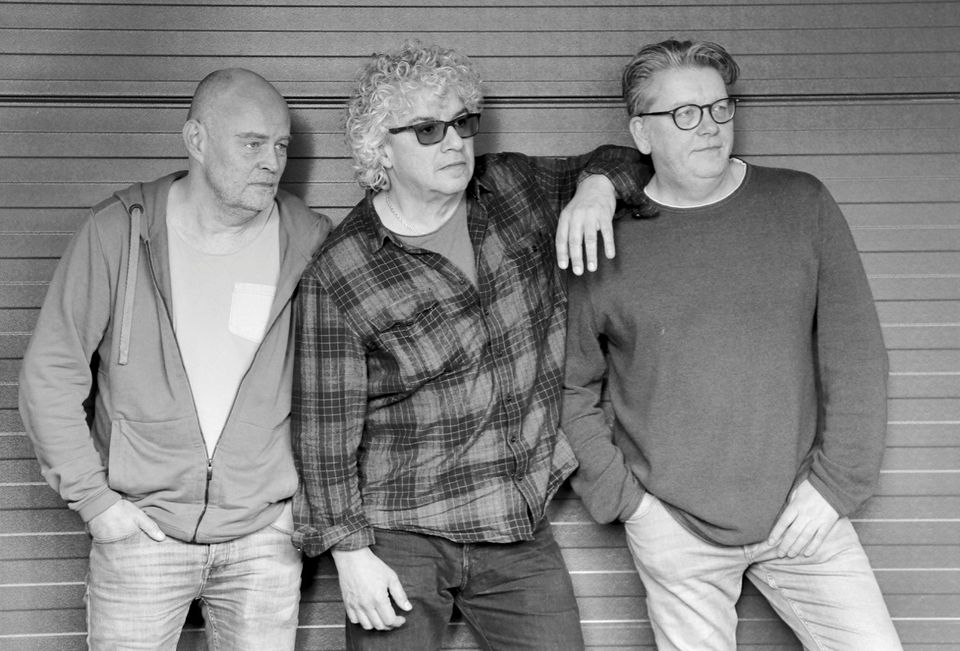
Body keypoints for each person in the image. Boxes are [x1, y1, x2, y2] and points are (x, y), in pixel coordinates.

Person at [292, 41, 648, 650]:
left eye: (462, 122)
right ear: (380, 149)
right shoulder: (341, 270)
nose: (455, 142)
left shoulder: (512, 187)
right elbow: (325, 432)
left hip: (515, 524)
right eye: (428, 129)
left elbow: (630, 161)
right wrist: (349, 554)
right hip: (401, 532)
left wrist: (596, 188)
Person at [561, 39, 903, 650]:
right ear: (640, 133)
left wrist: (835, 488)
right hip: (675, 527)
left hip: (803, 513)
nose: (710, 126)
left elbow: (856, 358)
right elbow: (569, 387)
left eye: (720, 107)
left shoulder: (800, 203)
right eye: (684, 113)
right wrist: (632, 508)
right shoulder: (601, 239)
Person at [18, 68, 331, 649]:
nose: (272, 162)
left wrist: (300, 508)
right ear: (196, 139)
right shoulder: (119, 231)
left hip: (263, 538)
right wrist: (97, 503)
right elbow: (51, 373)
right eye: (252, 143)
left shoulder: (309, 240)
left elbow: (340, 385)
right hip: (142, 532)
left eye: (282, 145)